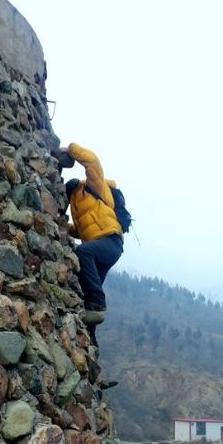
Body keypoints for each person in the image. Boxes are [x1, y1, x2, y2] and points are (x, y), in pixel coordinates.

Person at [56, 142, 124, 348]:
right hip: (101, 246)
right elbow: (81, 231)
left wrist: (70, 149)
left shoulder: (94, 188)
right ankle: (90, 341)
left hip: (111, 241)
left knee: (83, 252)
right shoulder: (78, 210)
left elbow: (92, 161)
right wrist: (60, 227)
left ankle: (98, 302)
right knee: (87, 293)